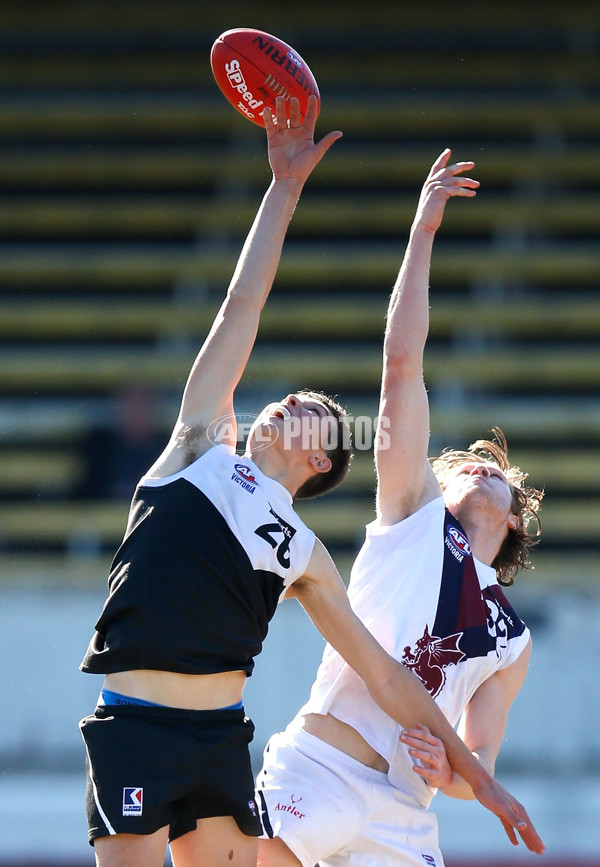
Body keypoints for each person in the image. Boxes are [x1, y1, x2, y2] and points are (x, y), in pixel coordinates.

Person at [78, 101, 542, 867]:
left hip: (229, 741)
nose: (288, 398)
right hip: (159, 724)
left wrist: (479, 783)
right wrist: (283, 187)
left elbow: (390, 676)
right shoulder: (198, 447)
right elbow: (242, 305)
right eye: (286, 396)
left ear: (322, 460)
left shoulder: (304, 551)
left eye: (315, 411)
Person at [256, 149, 545, 867]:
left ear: (514, 518)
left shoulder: (513, 641)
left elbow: (479, 750)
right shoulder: (414, 515)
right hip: (321, 766)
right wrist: (423, 233)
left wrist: (454, 772)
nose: (481, 463)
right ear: (433, 484)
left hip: (402, 811)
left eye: (498, 469)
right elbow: (401, 365)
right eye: (464, 460)